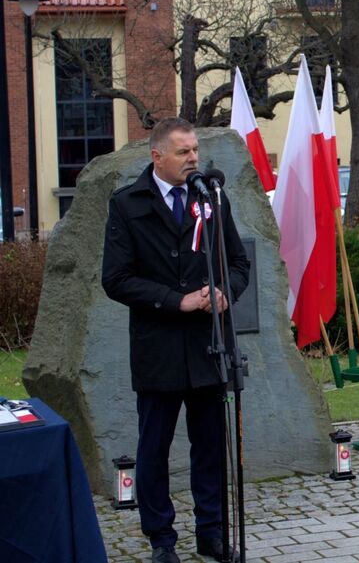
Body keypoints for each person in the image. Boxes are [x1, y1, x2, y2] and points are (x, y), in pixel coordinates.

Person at [102, 118, 251, 563]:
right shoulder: (128, 205)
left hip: (210, 345)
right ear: (156, 157)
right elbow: (116, 279)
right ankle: (162, 539)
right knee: (154, 449)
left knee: (211, 447)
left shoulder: (211, 199)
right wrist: (176, 301)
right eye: (184, 152)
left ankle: (211, 533)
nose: (193, 159)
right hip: (159, 347)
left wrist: (226, 291)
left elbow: (238, 262)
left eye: (195, 151)